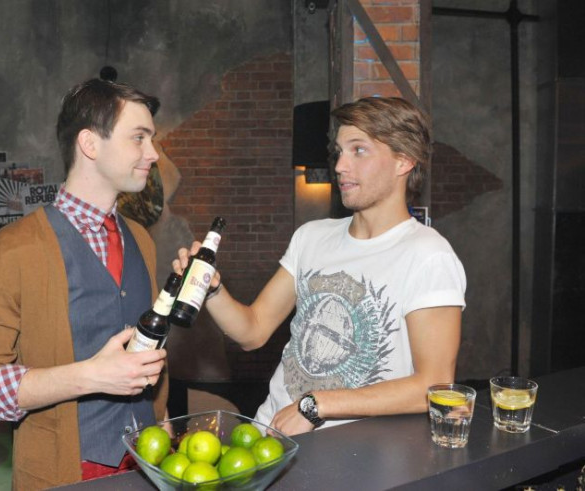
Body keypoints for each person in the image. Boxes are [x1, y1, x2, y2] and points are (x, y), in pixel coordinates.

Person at [174, 97, 466, 435]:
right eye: (339, 152)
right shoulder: (311, 236)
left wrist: (316, 405)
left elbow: (434, 386)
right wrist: (211, 289)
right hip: (271, 434)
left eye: (359, 150)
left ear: (404, 160)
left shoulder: (429, 255)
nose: (340, 165)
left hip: (355, 450)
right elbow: (253, 331)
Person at [0, 78, 168, 490]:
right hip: (63, 473)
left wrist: (162, 421)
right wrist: (90, 376)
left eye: (151, 139)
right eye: (139, 138)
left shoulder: (141, 239)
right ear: (90, 144)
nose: (153, 153)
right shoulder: (10, 251)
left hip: (148, 463)